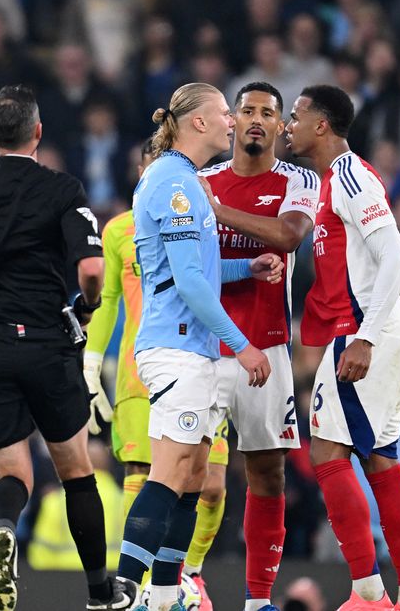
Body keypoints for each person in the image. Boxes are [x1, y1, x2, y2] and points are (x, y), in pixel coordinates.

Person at [113, 82, 283, 611]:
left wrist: (245, 267)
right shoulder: (174, 183)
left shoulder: (183, 180)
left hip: (194, 347)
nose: (233, 120)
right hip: (179, 345)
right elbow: (188, 283)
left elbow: (194, 266)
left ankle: (165, 595)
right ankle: (122, 589)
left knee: (192, 475)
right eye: (224, 112)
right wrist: (245, 346)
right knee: (170, 470)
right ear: (200, 123)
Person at [0, 85, 123, 611]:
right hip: (46, 343)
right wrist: (89, 305)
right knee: (75, 470)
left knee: (12, 472)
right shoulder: (62, 188)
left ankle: (4, 529)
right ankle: (99, 592)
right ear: (38, 132)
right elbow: (93, 268)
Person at [84, 140, 234, 609]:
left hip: (199, 356)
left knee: (209, 481)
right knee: (145, 471)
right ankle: (145, 586)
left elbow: (209, 276)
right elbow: (107, 301)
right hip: (138, 369)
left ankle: (188, 575)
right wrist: (91, 364)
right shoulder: (118, 231)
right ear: (143, 163)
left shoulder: (201, 215)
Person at [285, 84, 400, 611]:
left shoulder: (349, 175)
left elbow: (398, 262)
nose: (289, 125)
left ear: (322, 125)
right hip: (368, 326)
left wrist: (363, 337)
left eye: (295, 116)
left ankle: (369, 592)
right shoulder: (328, 183)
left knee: (328, 452)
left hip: (367, 328)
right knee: (380, 461)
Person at [199, 81, 319, 611]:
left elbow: (290, 235)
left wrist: (218, 213)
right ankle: (178, 585)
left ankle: (257, 600)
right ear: (230, 123)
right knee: (188, 471)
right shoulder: (199, 179)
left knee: (267, 472)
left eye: (267, 112)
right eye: (244, 110)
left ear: (279, 128)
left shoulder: (297, 179)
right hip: (201, 347)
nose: (254, 119)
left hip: (265, 349)